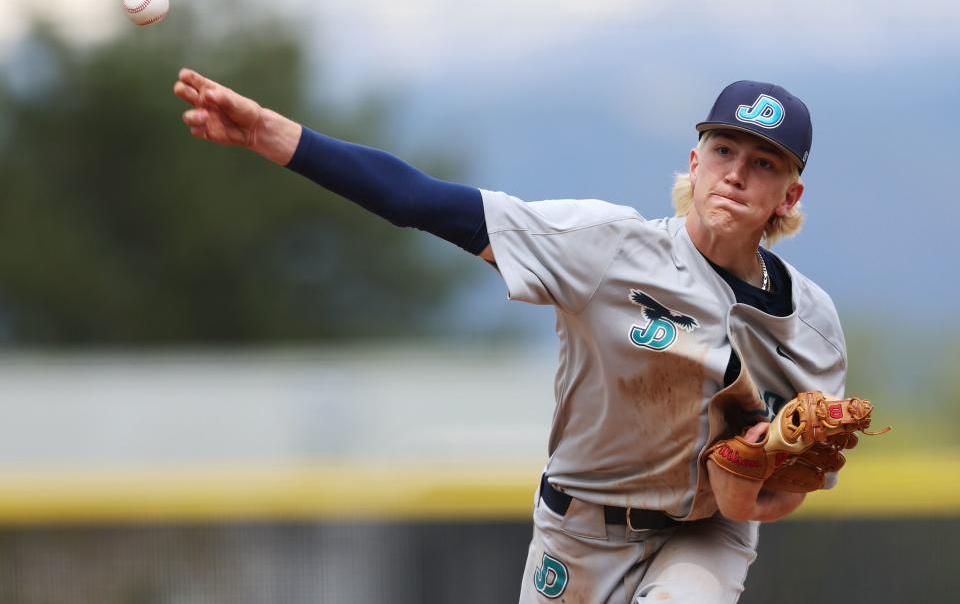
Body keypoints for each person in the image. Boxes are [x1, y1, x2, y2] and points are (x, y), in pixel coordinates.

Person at [174, 71, 845, 603]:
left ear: (789, 196)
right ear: (695, 162)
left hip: (707, 534)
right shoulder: (605, 250)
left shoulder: (811, 328)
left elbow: (790, 487)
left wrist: (758, 479)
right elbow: (421, 201)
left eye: (763, 162)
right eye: (725, 150)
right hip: (578, 529)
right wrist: (273, 134)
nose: (736, 171)